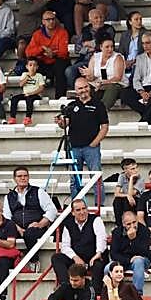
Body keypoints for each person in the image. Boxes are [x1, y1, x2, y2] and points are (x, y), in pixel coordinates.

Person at [59, 76, 110, 204]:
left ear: (89, 87)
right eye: (80, 88)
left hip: (91, 148)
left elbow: (105, 127)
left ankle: (100, 205)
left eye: (85, 87)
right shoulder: (71, 106)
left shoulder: (98, 104)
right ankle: (77, 205)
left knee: (96, 178)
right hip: (74, 148)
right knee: (75, 180)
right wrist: (60, 122)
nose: (83, 90)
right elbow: (65, 124)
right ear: (76, 90)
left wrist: (94, 143)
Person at [51, 198, 108, 288]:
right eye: (78, 210)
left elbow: (101, 238)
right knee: (57, 258)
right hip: (76, 261)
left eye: (84, 208)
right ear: (73, 213)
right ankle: (66, 287)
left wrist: (98, 253)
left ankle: (96, 294)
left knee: (98, 264)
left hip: (93, 258)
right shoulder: (68, 224)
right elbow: (65, 246)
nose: (82, 212)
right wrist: (75, 258)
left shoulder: (96, 220)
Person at [25, 10, 71, 96]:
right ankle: (32, 95)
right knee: (31, 65)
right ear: (43, 22)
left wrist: (53, 54)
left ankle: (60, 97)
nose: (51, 21)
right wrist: (42, 48)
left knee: (60, 66)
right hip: (44, 62)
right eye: (48, 19)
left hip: (58, 61)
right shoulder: (37, 34)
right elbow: (28, 52)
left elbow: (63, 52)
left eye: (53, 19)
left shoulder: (62, 32)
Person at [110, 212, 151, 294]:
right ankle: (112, 293)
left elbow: (144, 252)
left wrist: (133, 240)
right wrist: (129, 260)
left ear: (137, 220)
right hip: (123, 260)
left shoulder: (144, 231)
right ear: (123, 224)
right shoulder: (117, 232)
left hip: (142, 260)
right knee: (107, 268)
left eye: (134, 222)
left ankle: (136, 294)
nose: (132, 226)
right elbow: (113, 254)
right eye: (128, 224)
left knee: (138, 261)